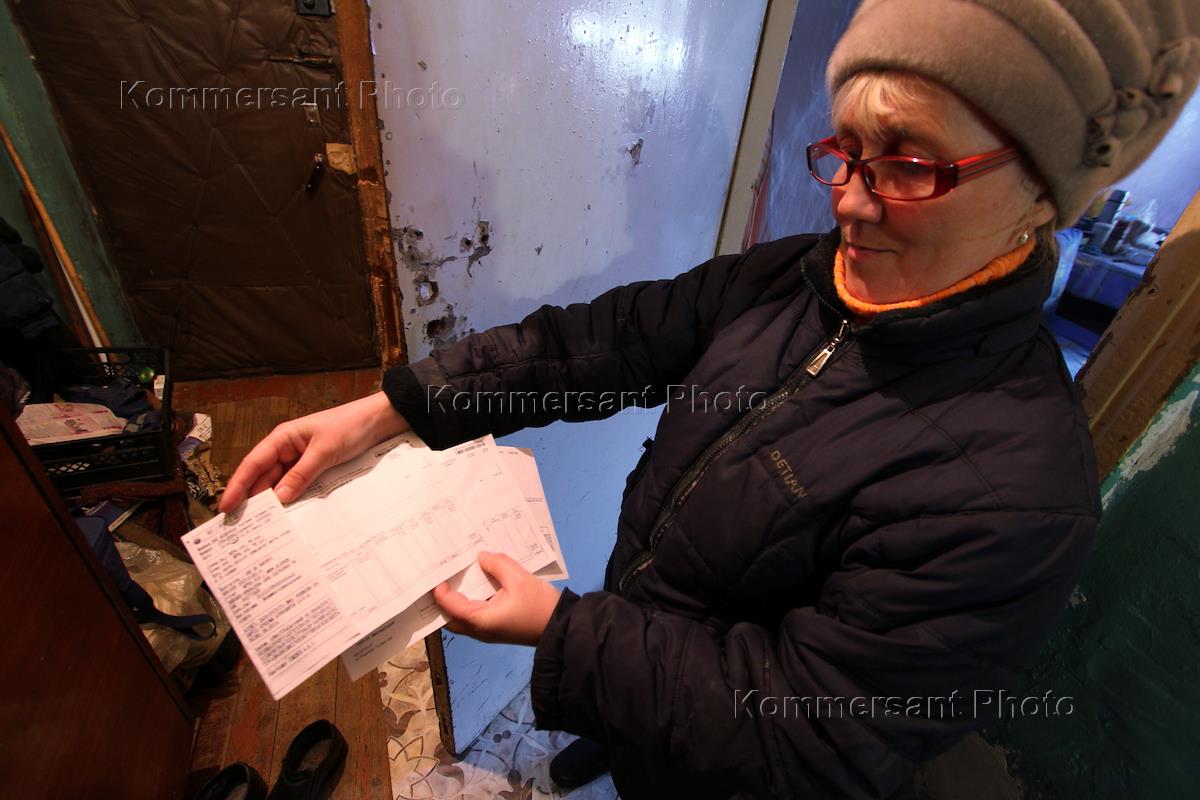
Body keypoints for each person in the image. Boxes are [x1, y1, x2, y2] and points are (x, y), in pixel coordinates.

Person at [221, 1, 1199, 797]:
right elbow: (602, 343)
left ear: (1041, 191)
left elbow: (808, 739)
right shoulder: (802, 278)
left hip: (726, 769)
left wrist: (567, 638)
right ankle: (612, 739)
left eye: (908, 162)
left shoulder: (1016, 493)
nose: (849, 200)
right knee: (627, 727)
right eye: (847, 149)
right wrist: (393, 408)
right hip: (646, 652)